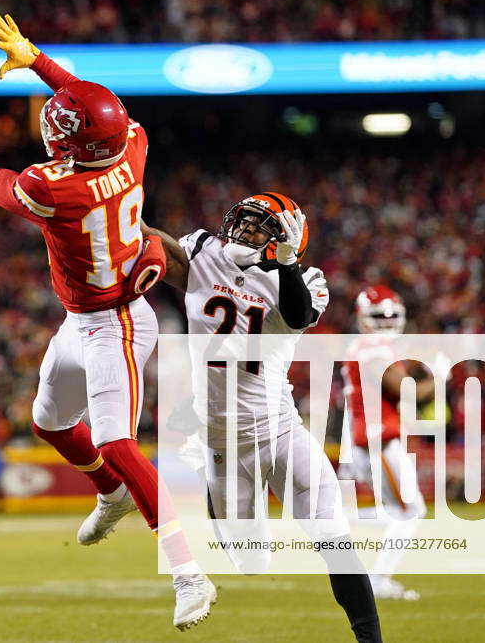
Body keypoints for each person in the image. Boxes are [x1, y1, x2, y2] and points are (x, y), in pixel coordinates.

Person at [0, 13, 215, 630]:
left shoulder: (53, 189)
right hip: (85, 318)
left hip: (117, 323)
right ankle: (110, 493)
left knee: (117, 442)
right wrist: (37, 59)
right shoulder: (134, 145)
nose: (54, 126)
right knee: (48, 421)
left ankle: (187, 571)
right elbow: (99, 107)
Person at [145, 193, 383, 643]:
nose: (245, 230)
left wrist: (288, 265)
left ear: (285, 242)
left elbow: (297, 315)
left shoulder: (305, 278)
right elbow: (163, 254)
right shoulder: (203, 250)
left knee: (335, 539)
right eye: (245, 221)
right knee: (252, 563)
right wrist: (121, 216)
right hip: (223, 442)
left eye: (259, 227)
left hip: (279, 430)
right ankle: (212, 484)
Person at [341, 285, 431, 601]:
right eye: (380, 316)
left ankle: (333, 519)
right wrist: (438, 376)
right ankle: (377, 580)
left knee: (401, 512)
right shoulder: (373, 349)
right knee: (410, 512)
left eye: (390, 315)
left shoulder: (365, 346)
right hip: (378, 440)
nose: (386, 322)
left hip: (374, 438)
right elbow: (407, 391)